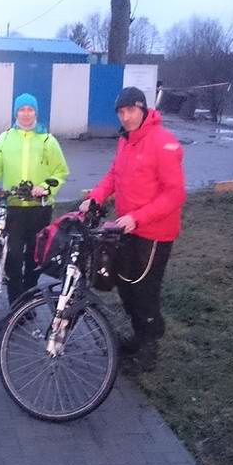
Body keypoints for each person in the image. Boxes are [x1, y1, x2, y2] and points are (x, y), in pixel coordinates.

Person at [80, 86, 186, 372]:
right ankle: (139, 336)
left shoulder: (164, 142)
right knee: (126, 285)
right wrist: (95, 198)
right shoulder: (126, 140)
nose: (126, 117)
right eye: (121, 112)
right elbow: (114, 175)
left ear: (143, 109)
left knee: (144, 291)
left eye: (131, 111)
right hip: (127, 229)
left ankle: (149, 349)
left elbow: (175, 194)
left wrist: (138, 217)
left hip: (154, 233)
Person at [0, 93, 69, 307]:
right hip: (13, 208)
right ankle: (15, 304)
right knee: (13, 258)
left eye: (30, 109)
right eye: (22, 110)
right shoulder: (5, 139)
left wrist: (45, 187)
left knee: (34, 258)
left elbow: (60, 172)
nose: (26, 114)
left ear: (36, 113)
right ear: (16, 113)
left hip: (39, 209)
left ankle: (28, 301)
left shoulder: (48, 141)